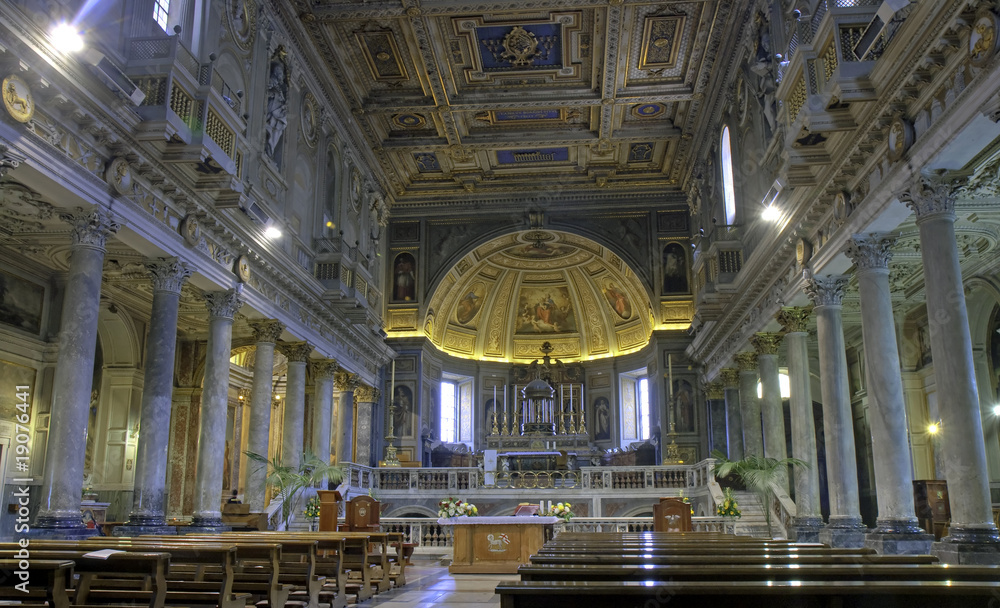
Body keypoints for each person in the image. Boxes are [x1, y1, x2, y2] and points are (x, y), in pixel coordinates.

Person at [264, 47, 289, 158]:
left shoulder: (280, 88)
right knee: (277, 120)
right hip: (272, 107)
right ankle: (268, 144)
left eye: (281, 73)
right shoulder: (271, 81)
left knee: (281, 123)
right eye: (279, 72)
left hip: (277, 110)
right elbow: (267, 91)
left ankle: (270, 146)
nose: (280, 75)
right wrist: (274, 94)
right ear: (275, 72)